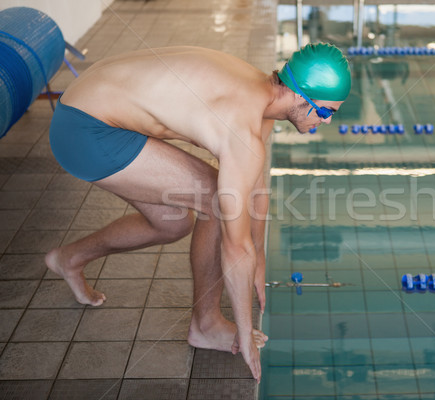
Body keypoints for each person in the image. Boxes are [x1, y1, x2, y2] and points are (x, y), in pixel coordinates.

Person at [46, 43, 351, 382]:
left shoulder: (262, 95)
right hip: (85, 130)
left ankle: (69, 259)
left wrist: (261, 258)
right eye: (326, 111)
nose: (327, 121)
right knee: (217, 201)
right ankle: (206, 325)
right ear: (301, 96)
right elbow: (235, 244)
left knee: (170, 225)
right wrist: (246, 332)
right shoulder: (243, 127)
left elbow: (256, 188)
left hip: (89, 107)